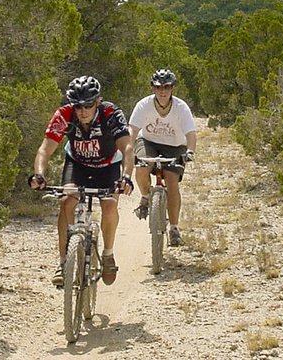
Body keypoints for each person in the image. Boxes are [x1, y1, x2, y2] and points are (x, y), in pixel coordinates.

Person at [29, 75, 134, 287]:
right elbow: (45, 148)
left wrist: (126, 177)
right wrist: (39, 174)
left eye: (88, 105)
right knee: (67, 201)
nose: (82, 111)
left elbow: (128, 148)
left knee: (109, 206)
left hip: (108, 165)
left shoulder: (111, 113)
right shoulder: (65, 115)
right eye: (77, 106)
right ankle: (63, 262)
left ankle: (108, 254)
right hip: (77, 164)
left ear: (98, 101)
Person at [128, 69, 196, 246]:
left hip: (175, 146)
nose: (162, 91)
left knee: (172, 182)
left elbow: (191, 133)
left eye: (166, 87)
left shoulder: (181, 107)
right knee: (142, 167)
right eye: (158, 87)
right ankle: (145, 196)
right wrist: (128, 148)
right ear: (153, 88)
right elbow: (133, 130)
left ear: (172, 88)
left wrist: (190, 152)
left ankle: (173, 229)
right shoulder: (144, 105)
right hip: (149, 141)